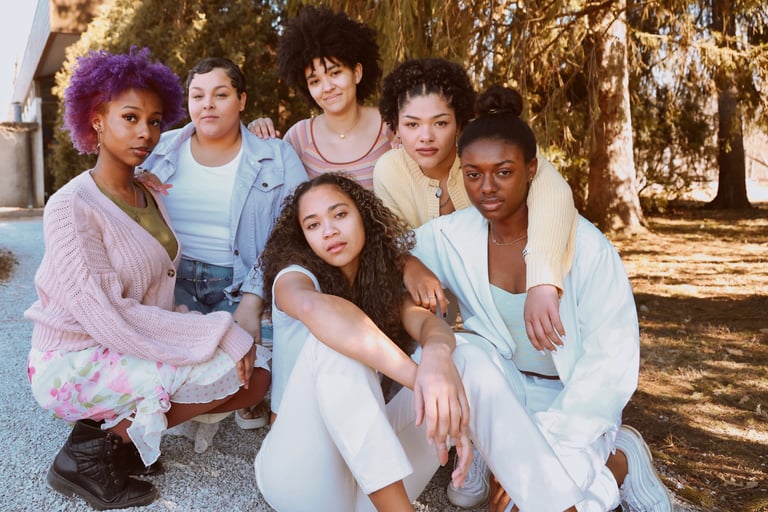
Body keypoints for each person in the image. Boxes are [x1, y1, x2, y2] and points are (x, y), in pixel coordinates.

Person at [24, 48, 269, 510]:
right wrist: (219, 329)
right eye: (130, 117)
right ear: (96, 119)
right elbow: (108, 316)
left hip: (122, 341)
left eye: (155, 122)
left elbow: (152, 295)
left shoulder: (148, 191)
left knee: (255, 376)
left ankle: (124, 437)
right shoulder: (71, 206)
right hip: (73, 359)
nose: (146, 133)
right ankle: (88, 454)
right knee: (242, 369)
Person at [409, 85, 673, 512]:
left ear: (532, 169)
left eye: (503, 172)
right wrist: (408, 264)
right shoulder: (450, 235)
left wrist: (546, 451)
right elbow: (383, 250)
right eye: (473, 174)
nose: (487, 187)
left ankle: (619, 464)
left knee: (537, 503)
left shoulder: (587, 247)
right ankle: (483, 446)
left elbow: (610, 364)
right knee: (463, 350)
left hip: (572, 403)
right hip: (499, 397)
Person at [373, 57, 578, 507]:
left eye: (440, 123)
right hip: (433, 293)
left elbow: (554, 190)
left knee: (493, 356)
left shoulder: (482, 154)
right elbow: (391, 237)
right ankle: (461, 435)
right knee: (427, 327)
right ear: (395, 128)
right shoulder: (389, 170)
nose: (425, 137)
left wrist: (544, 280)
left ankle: (490, 444)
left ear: (460, 122)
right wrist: (408, 263)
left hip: (493, 294)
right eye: (411, 125)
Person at [251, 173, 474, 511]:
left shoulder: (379, 285)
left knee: (468, 358)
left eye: (340, 215)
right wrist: (421, 380)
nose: (329, 231)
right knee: (335, 347)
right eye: (313, 225)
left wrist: (438, 358)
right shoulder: (294, 278)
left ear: (363, 217)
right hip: (301, 475)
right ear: (303, 238)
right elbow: (317, 309)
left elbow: (430, 324)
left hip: (365, 472)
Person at [139, 57, 308, 432]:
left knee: (264, 353)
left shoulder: (276, 155)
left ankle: (243, 394)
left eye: (220, 94)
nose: (207, 105)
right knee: (167, 353)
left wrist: (252, 299)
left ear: (242, 100)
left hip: (239, 281)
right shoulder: (159, 150)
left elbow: (292, 232)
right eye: (197, 96)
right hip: (174, 281)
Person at [247, 5, 393, 189]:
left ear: (357, 73)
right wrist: (254, 137)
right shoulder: (298, 138)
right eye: (315, 81)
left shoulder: (391, 126)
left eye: (335, 73)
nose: (327, 87)